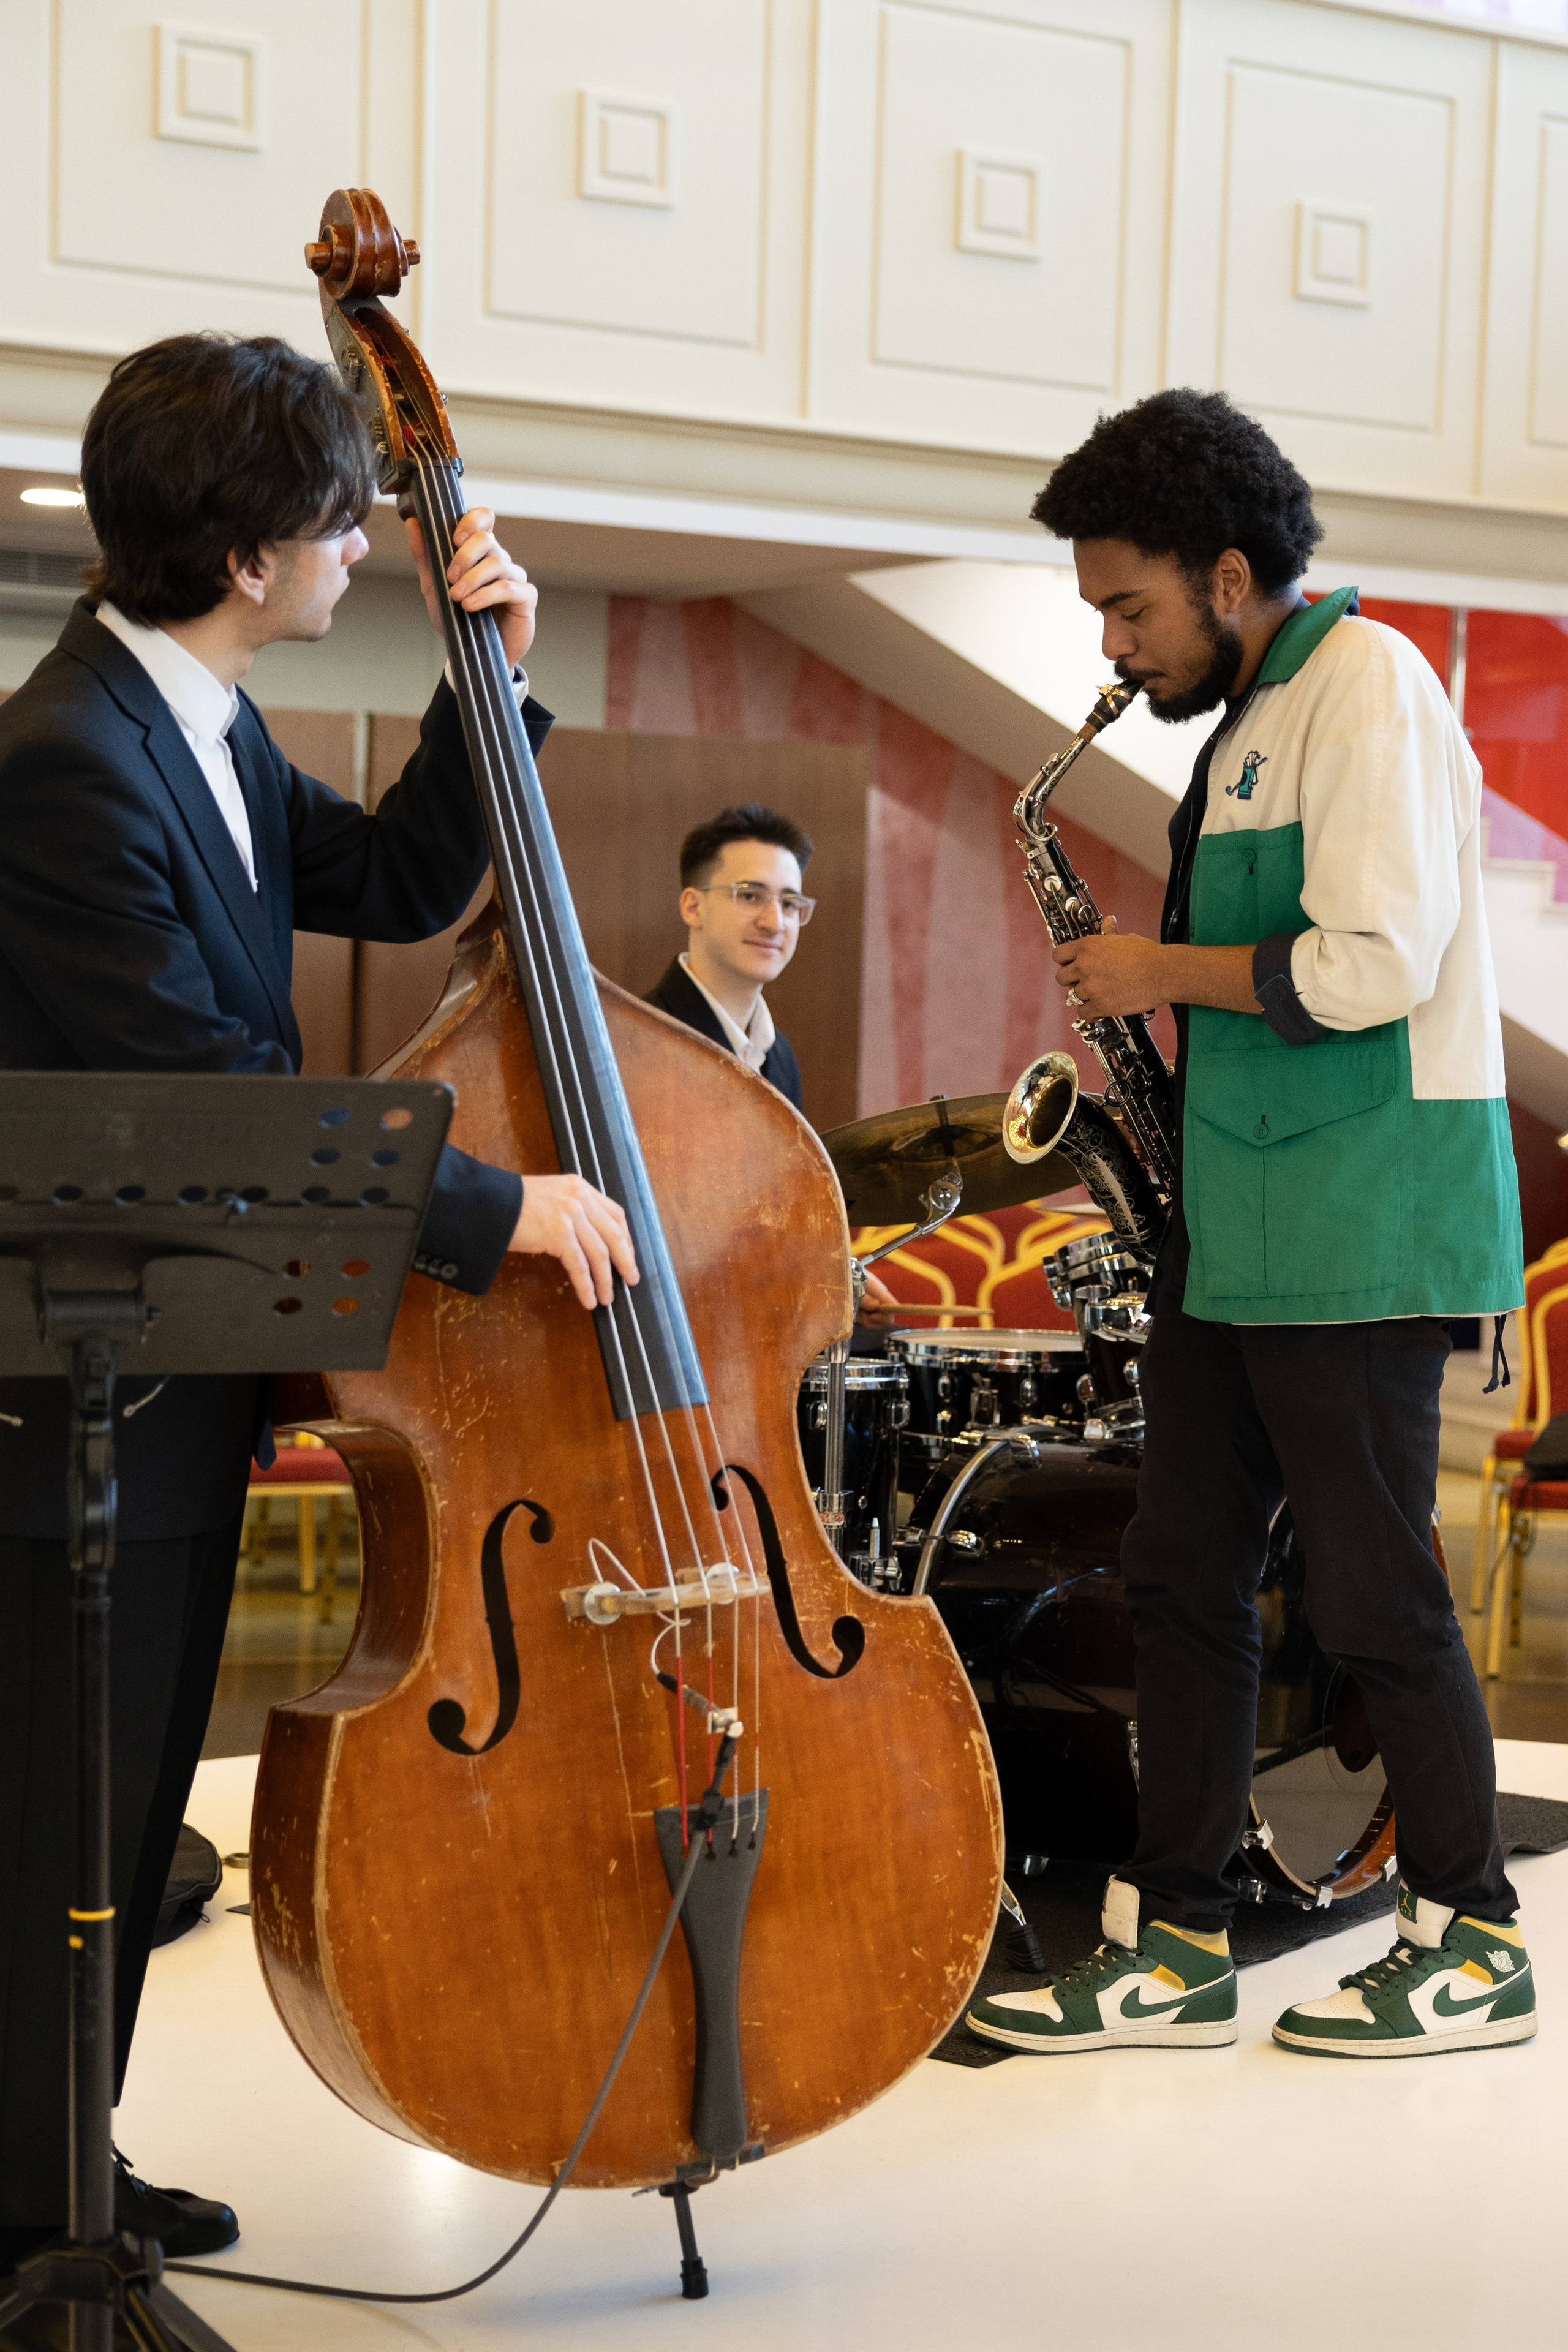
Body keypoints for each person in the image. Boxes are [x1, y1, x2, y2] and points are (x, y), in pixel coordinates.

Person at [0, 332, 638, 2275]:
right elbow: (201, 1088)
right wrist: (492, 1205)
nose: (367, 541)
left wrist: (491, 678)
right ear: (253, 545)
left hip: (177, 1381)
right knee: (53, 1835)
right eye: (343, 514)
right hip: (66, 1400)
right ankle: (28, 2207)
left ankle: (60, 2175)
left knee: (112, 1833)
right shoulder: (66, 762)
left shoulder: (190, 723)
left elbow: (391, 871)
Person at [966, 388, 1532, 2062]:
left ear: (1228, 575)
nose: (1115, 649)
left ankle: (1474, 1937)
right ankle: (1176, 1939)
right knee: (1184, 1575)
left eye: (1128, 608)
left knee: (1376, 1598)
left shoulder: (1371, 690)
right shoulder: (1252, 716)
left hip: (1360, 1225)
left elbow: (1376, 958)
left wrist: (1153, 977)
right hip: (1248, 1227)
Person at [643, 802, 811, 1109]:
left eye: (788, 904)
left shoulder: (782, 1058)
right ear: (693, 908)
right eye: (749, 896)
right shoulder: (638, 1041)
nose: (773, 924)